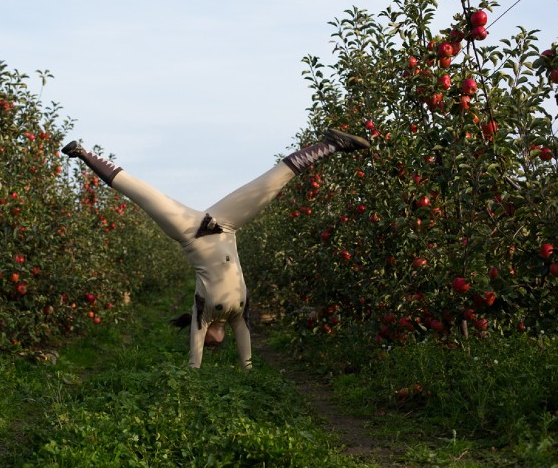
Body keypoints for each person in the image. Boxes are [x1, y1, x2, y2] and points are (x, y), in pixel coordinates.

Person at [61, 128, 369, 369]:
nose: (212, 344)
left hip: (190, 232)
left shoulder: (202, 312)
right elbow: (245, 349)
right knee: (272, 182)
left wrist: (194, 368)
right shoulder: (238, 314)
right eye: (213, 346)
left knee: (142, 193)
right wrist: (247, 370)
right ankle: (333, 144)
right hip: (226, 224)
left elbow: (194, 359)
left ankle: (83, 153)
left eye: (208, 344)